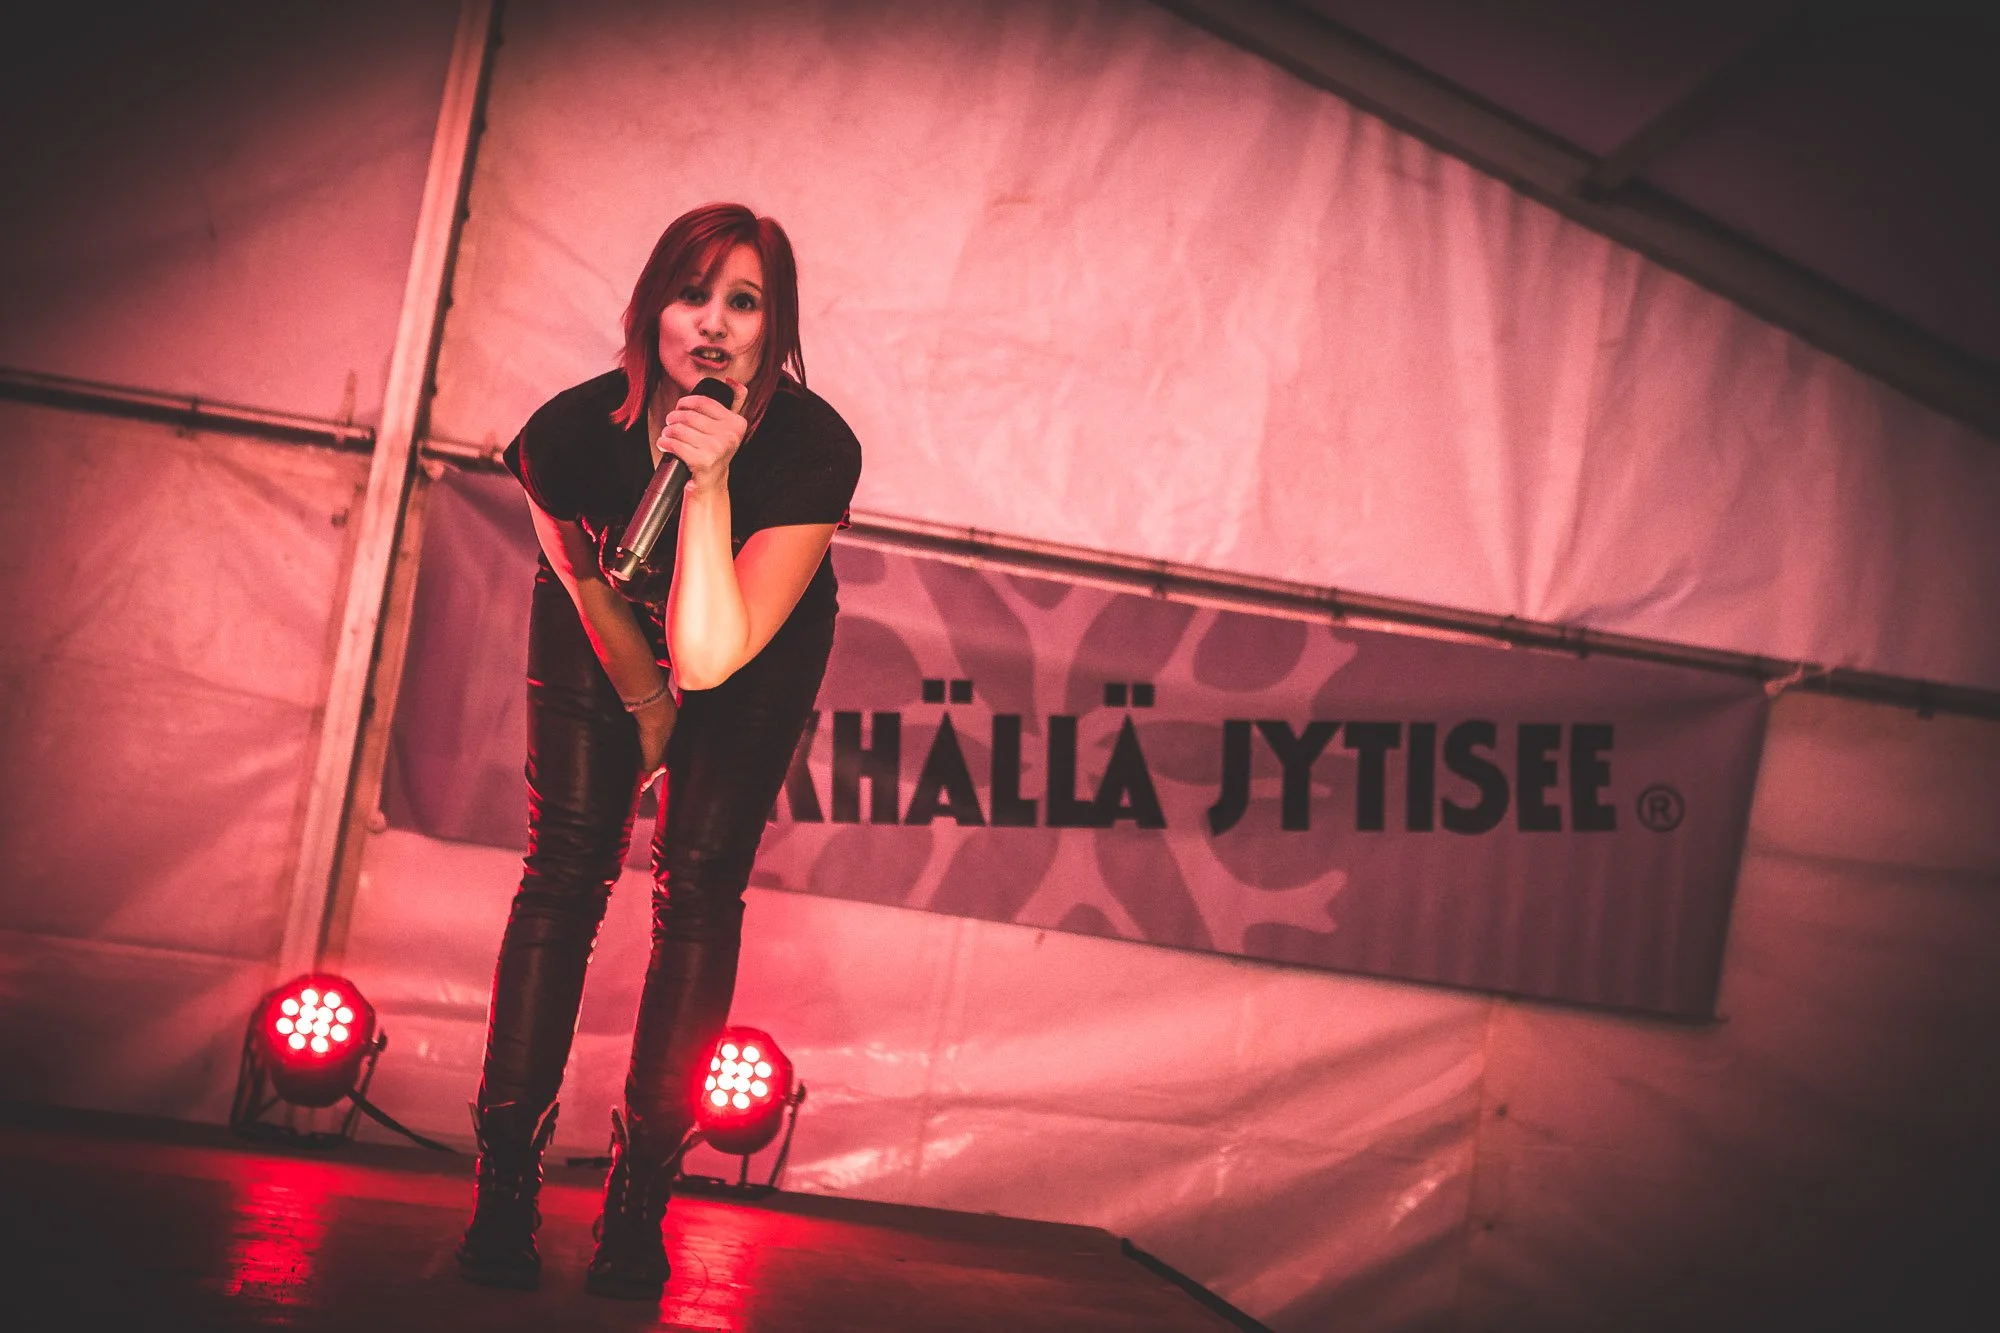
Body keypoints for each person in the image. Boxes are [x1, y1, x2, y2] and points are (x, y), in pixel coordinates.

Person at [454, 203, 861, 1300]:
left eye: (745, 300)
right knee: (566, 866)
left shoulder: (813, 449)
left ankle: (639, 1196)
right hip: (605, 624)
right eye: (694, 295)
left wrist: (714, 482)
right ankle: (503, 1180)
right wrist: (640, 697)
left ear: (774, 329)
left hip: (745, 635)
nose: (715, 323)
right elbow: (581, 572)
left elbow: (716, 657)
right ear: (647, 311)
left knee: (698, 884)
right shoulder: (566, 434)